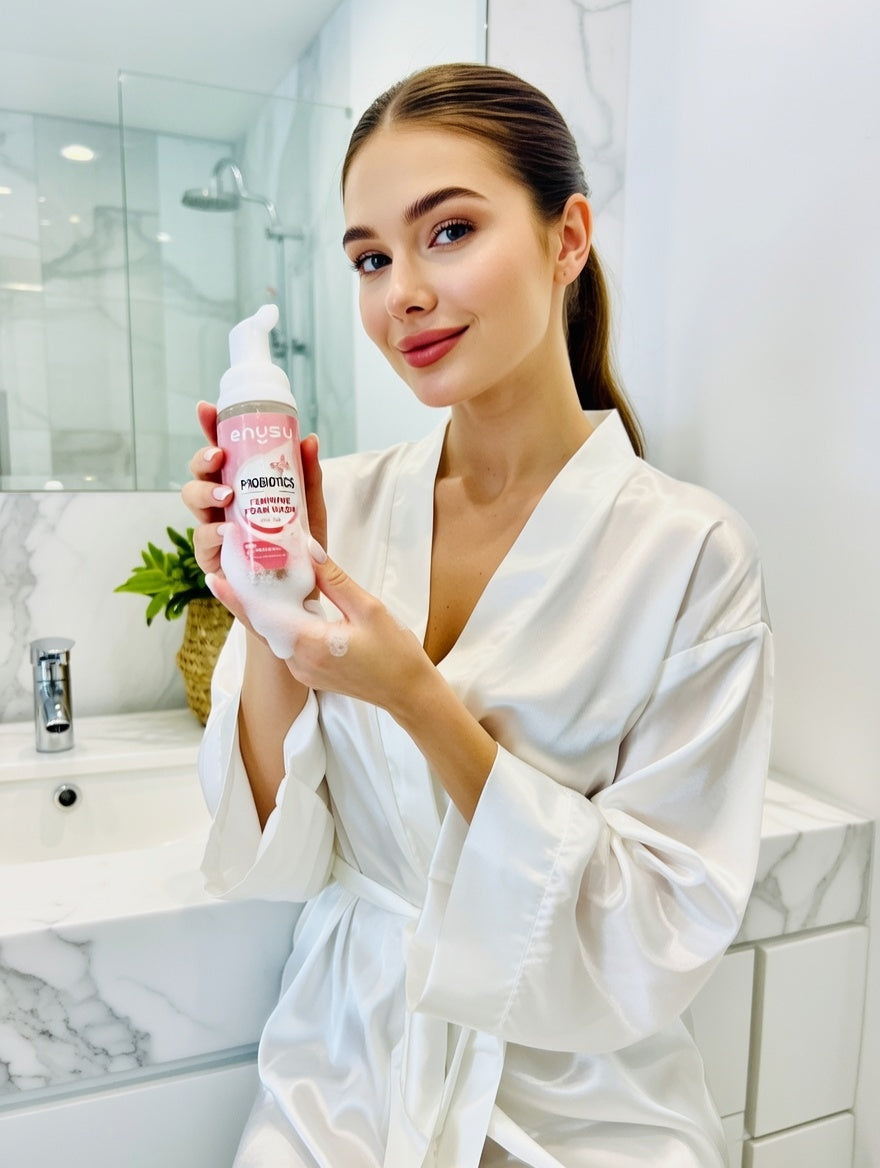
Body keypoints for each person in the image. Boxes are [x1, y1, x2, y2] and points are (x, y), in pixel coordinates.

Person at [182, 62, 773, 1168]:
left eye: (446, 232)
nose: (399, 290)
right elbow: (278, 853)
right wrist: (264, 604)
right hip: (345, 1070)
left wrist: (415, 696)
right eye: (368, 257)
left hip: (579, 1101)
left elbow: (653, 925)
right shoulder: (336, 508)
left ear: (566, 238)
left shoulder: (689, 553)